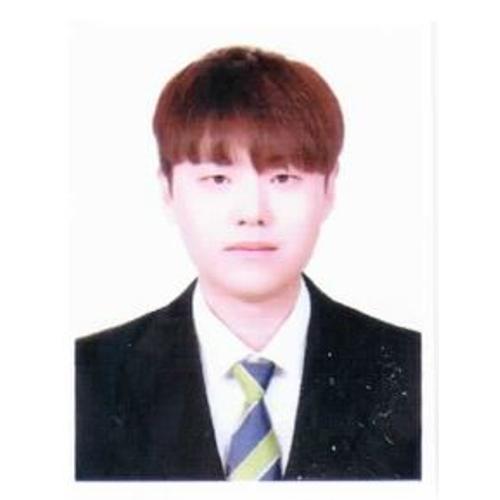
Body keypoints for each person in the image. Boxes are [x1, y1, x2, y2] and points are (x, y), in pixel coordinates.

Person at [75, 46, 421, 481]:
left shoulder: (420, 371)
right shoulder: (83, 379)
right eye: (218, 178)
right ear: (167, 189)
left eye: (283, 177)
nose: (253, 212)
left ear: (330, 188)